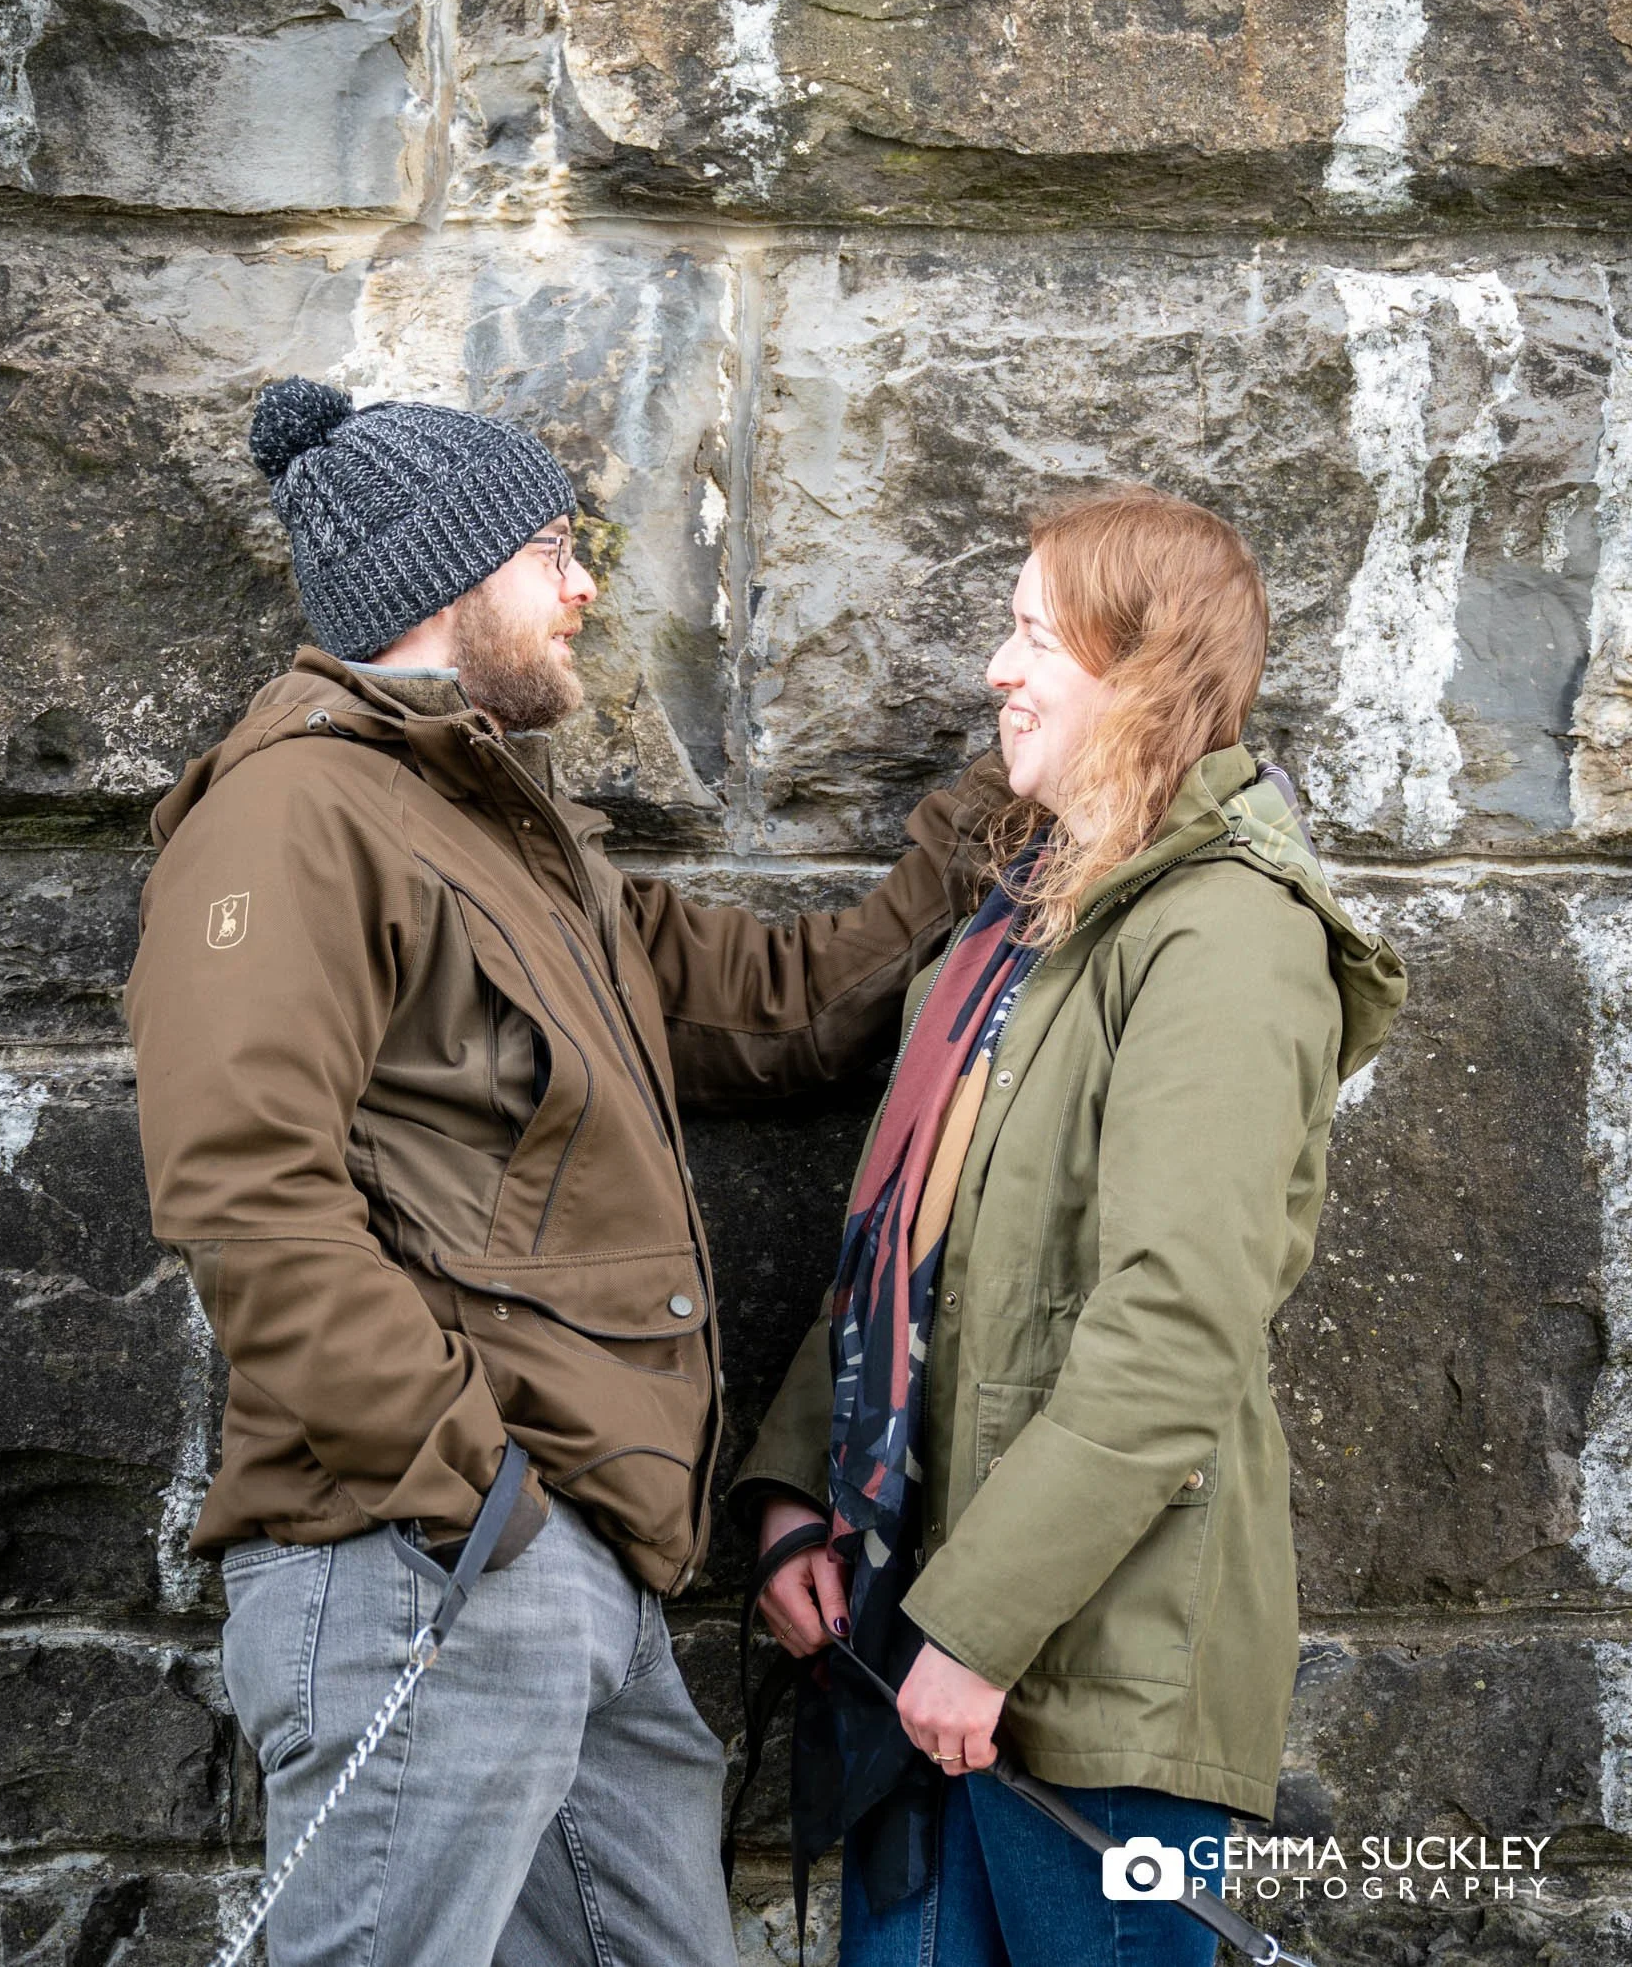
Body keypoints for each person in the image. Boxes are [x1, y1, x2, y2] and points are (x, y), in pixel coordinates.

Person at [125, 375, 1007, 1967]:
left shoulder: (513, 836)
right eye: (552, 548)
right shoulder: (294, 817)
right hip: (428, 1556)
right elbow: (243, 1184)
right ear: (445, 585)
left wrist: (997, 801)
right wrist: (477, 1490)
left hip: (565, 1569)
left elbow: (792, 1006)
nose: (586, 581)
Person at [738, 483, 1407, 1967]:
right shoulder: (1020, 929)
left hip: (1090, 1688)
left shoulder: (1225, 935)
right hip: (911, 1642)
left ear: (1144, 673)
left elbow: (1171, 1328)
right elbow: (912, 1248)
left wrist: (974, 1630)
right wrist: (797, 1491)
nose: (996, 669)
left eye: (1032, 633)